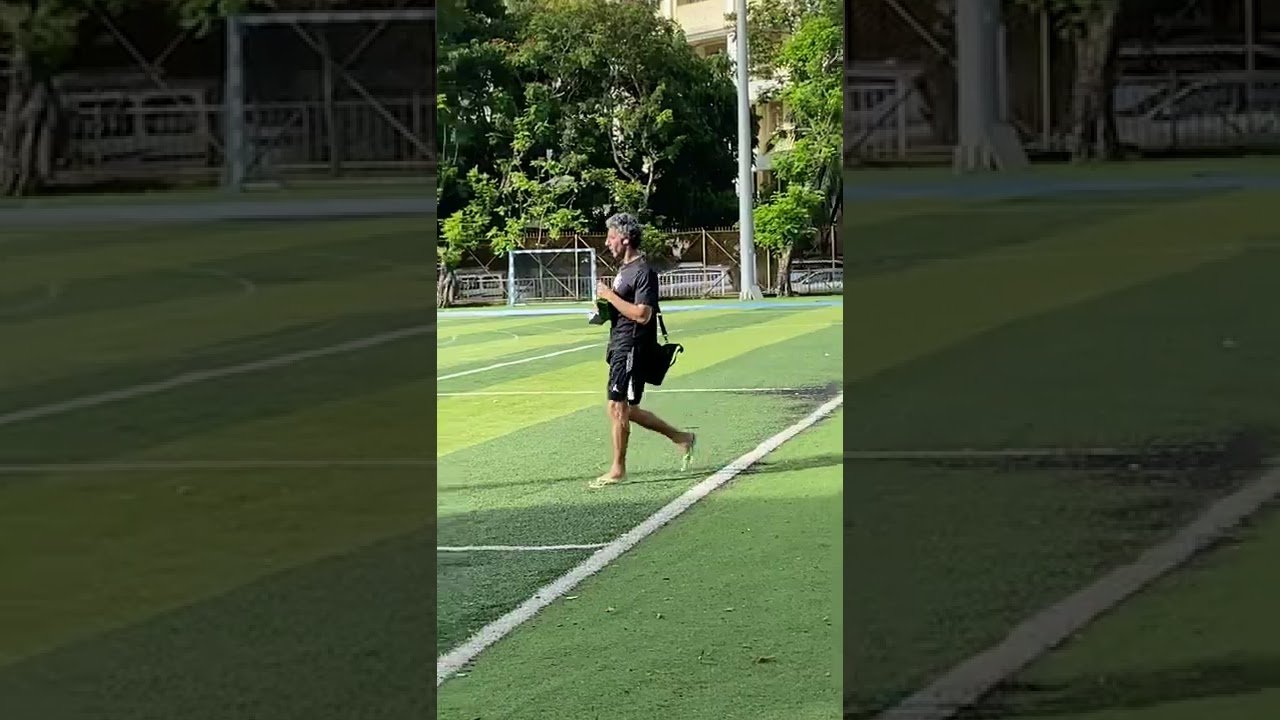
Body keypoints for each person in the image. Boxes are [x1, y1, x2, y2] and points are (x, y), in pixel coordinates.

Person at [590, 213, 696, 489]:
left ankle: (617, 469)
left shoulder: (643, 272)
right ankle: (681, 437)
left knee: (617, 407)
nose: (607, 242)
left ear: (625, 239)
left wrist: (609, 296)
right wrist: (604, 308)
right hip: (619, 344)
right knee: (627, 409)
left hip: (633, 346)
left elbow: (643, 314)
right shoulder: (624, 271)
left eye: (612, 237)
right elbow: (623, 309)